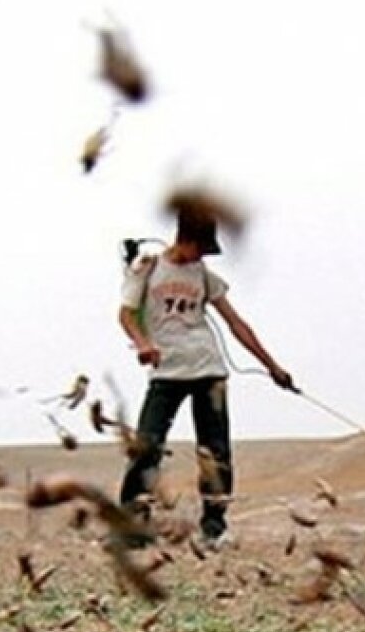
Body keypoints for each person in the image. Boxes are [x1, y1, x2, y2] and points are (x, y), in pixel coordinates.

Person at [117, 210, 294, 548]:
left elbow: (236, 324)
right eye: (200, 248)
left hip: (208, 370)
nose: (201, 256)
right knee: (146, 447)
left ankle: (214, 529)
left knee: (215, 453)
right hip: (167, 373)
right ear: (184, 239)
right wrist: (143, 344)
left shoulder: (204, 276)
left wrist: (272, 366)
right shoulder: (148, 267)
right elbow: (125, 314)